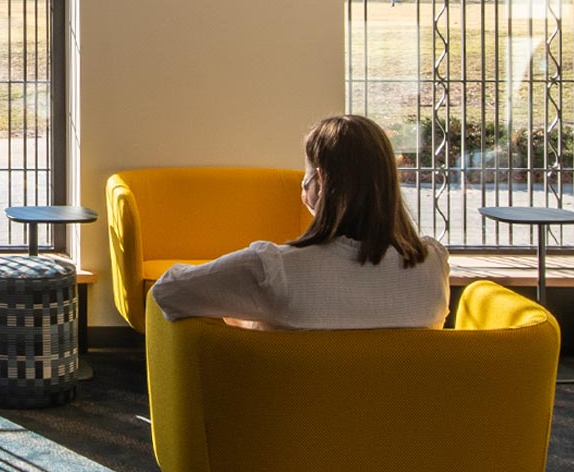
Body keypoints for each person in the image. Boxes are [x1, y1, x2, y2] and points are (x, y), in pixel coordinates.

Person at [149, 114, 450, 330]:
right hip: (402, 419)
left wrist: (248, 314)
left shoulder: (273, 272)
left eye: (306, 174)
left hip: (286, 419)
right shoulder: (432, 267)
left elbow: (166, 292)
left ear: (319, 180)